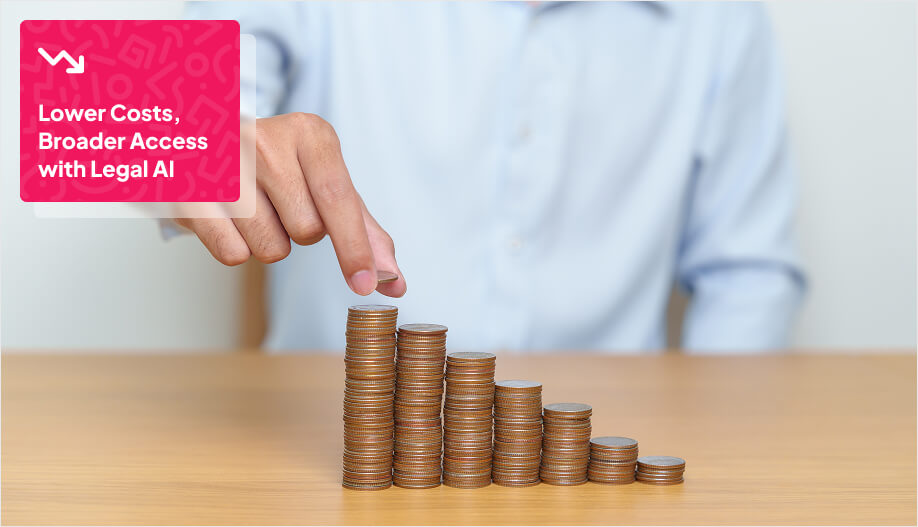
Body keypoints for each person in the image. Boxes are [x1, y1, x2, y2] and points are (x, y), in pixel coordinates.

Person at [174, 1, 806, 353]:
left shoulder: (723, 20)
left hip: (599, 473)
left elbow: (745, 277)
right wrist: (197, 145)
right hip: (325, 456)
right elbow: (92, 130)